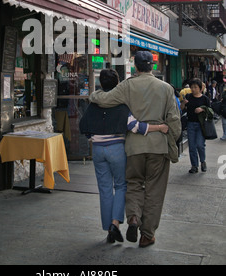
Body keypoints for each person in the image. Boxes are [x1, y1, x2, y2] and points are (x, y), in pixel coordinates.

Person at [90, 51, 181, 248]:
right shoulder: (166, 88)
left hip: (133, 147)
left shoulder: (127, 85)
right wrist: (172, 139)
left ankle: (133, 217)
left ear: (136, 66)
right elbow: (173, 119)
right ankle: (147, 234)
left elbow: (105, 100)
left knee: (133, 184)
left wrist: (94, 93)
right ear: (152, 67)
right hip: (158, 145)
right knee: (155, 190)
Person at [79, 68, 168, 244]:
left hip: (97, 150)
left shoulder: (93, 104)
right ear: (118, 84)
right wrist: (159, 128)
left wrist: (94, 138)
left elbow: (84, 126)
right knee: (121, 186)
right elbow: (137, 127)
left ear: (100, 84)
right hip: (117, 149)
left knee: (104, 189)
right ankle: (115, 223)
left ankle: (109, 229)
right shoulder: (121, 105)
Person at [181, 78, 210, 173]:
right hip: (190, 124)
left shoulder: (204, 98)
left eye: (195, 87)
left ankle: (203, 161)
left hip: (201, 125)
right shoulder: (188, 96)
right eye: (191, 87)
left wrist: (202, 109)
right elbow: (182, 108)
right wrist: (183, 103)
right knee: (192, 146)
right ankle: (194, 165)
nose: (193, 89)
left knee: (200, 145)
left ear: (200, 88)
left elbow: (210, 111)